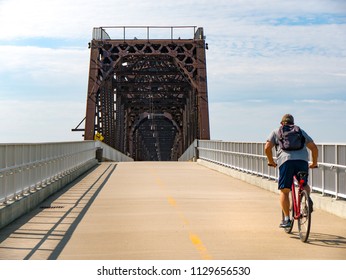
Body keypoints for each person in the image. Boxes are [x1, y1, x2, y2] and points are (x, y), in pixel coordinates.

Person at [265, 114, 318, 228]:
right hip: (302, 162)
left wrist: (271, 161)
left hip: (286, 162)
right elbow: (314, 147)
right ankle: (306, 201)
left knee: (285, 190)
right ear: (293, 122)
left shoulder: (276, 132)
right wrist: (314, 163)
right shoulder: (300, 131)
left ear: (282, 123)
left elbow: (267, 148)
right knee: (303, 183)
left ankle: (286, 220)